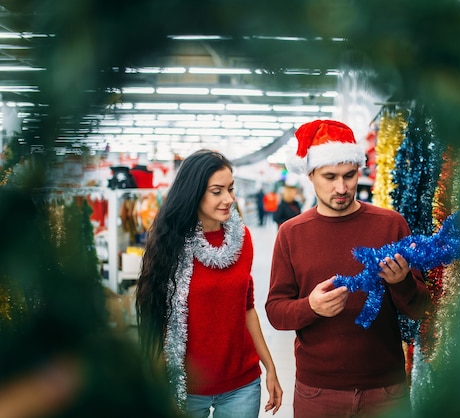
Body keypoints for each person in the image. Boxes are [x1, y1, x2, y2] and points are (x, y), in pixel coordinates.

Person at [265, 119, 432, 418]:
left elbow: (419, 307)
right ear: (311, 174)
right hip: (318, 392)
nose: (341, 187)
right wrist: (310, 307)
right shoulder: (291, 233)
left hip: (385, 390)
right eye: (330, 176)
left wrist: (401, 281)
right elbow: (276, 311)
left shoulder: (391, 224)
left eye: (349, 175)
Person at [136, 149, 283, 417]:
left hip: (242, 384)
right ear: (194, 193)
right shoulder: (171, 244)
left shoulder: (242, 240)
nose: (229, 199)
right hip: (185, 388)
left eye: (230, 189)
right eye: (217, 191)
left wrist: (269, 366)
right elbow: (155, 316)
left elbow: (247, 307)